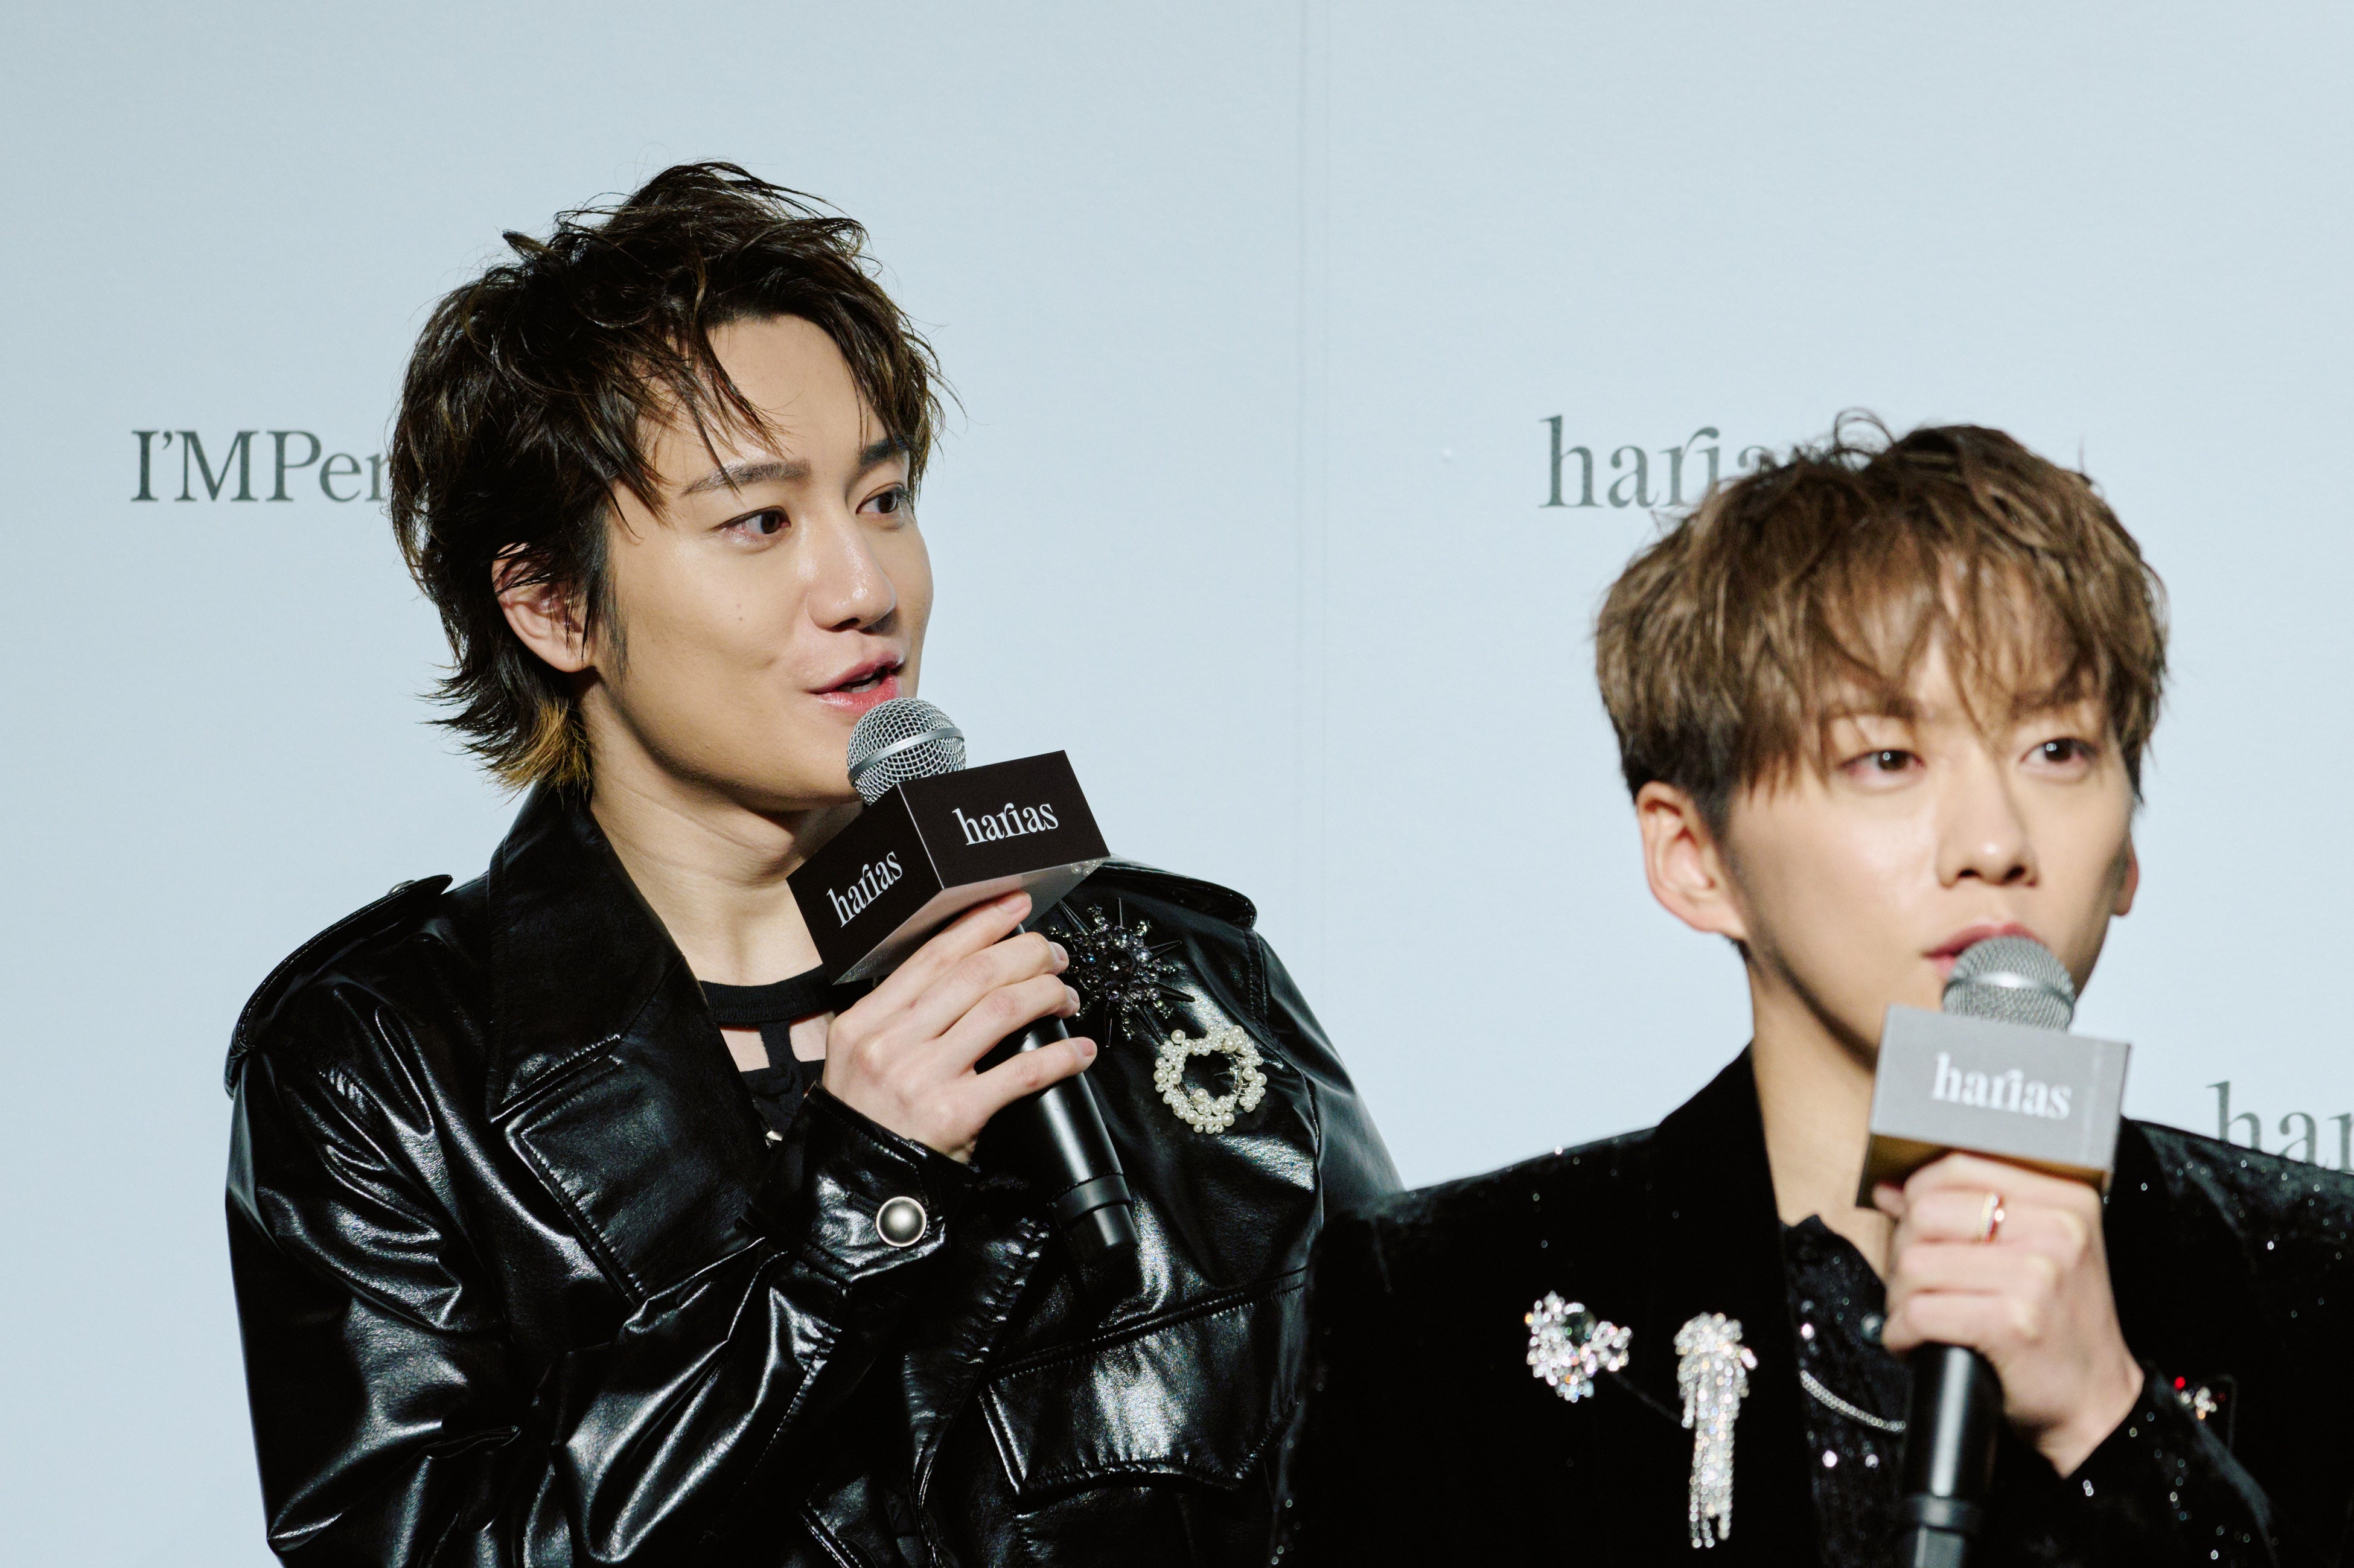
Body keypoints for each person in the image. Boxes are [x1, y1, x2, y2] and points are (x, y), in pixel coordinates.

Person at [223, 162, 1397, 1568]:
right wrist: (857, 1212)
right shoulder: (388, 1076)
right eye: (759, 522)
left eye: (885, 500)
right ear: (552, 604)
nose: (865, 589)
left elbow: (1424, 1447)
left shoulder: (1182, 978)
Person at [1286, 420, 2354, 1566]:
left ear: (2128, 846)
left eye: (2057, 751)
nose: (1996, 842)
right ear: (1695, 856)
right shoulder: (1447, 1299)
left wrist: (2109, 1422)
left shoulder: (2314, 1270)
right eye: (1887, 760)